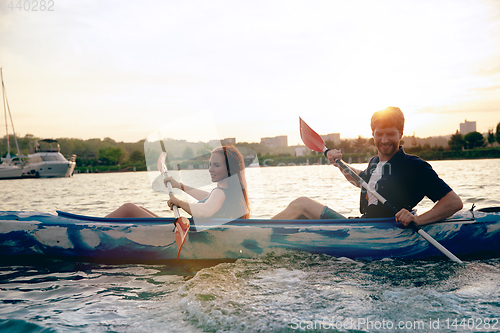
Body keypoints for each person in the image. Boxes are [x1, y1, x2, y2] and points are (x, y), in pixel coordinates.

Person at [272, 107, 463, 227]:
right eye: (379, 134)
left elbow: (454, 202)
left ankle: (248, 234)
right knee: (302, 214)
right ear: (373, 133)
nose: (384, 140)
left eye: (390, 134)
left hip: (379, 232)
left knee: (302, 204)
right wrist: (339, 164)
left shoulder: (414, 166)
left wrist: (418, 219)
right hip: (361, 226)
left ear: (400, 133)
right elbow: (361, 180)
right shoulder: (374, 163)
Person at [106, 145, 250, 220]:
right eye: (210, 164)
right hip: (192, 235)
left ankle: (90, 227)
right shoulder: (228, 193)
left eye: (216, 165)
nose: (210, 169)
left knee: (129, 209)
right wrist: (178, 185)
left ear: (230, 169)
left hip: (191, 239)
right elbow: (207, 197)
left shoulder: (220, 193)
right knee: (140, 209)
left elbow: (205, 211)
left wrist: (179, 202)